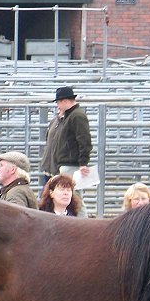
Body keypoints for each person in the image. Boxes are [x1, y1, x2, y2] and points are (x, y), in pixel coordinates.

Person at [41, 86, 92, 215]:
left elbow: (84, 140)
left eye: (58, 102)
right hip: (61, 164)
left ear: (65, 101)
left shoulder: (77, 116)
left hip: (69, 164)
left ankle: (82, 224)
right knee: (66, 196)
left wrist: (83, 162)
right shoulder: (66, 117)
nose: (57, 105)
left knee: (72, 196)